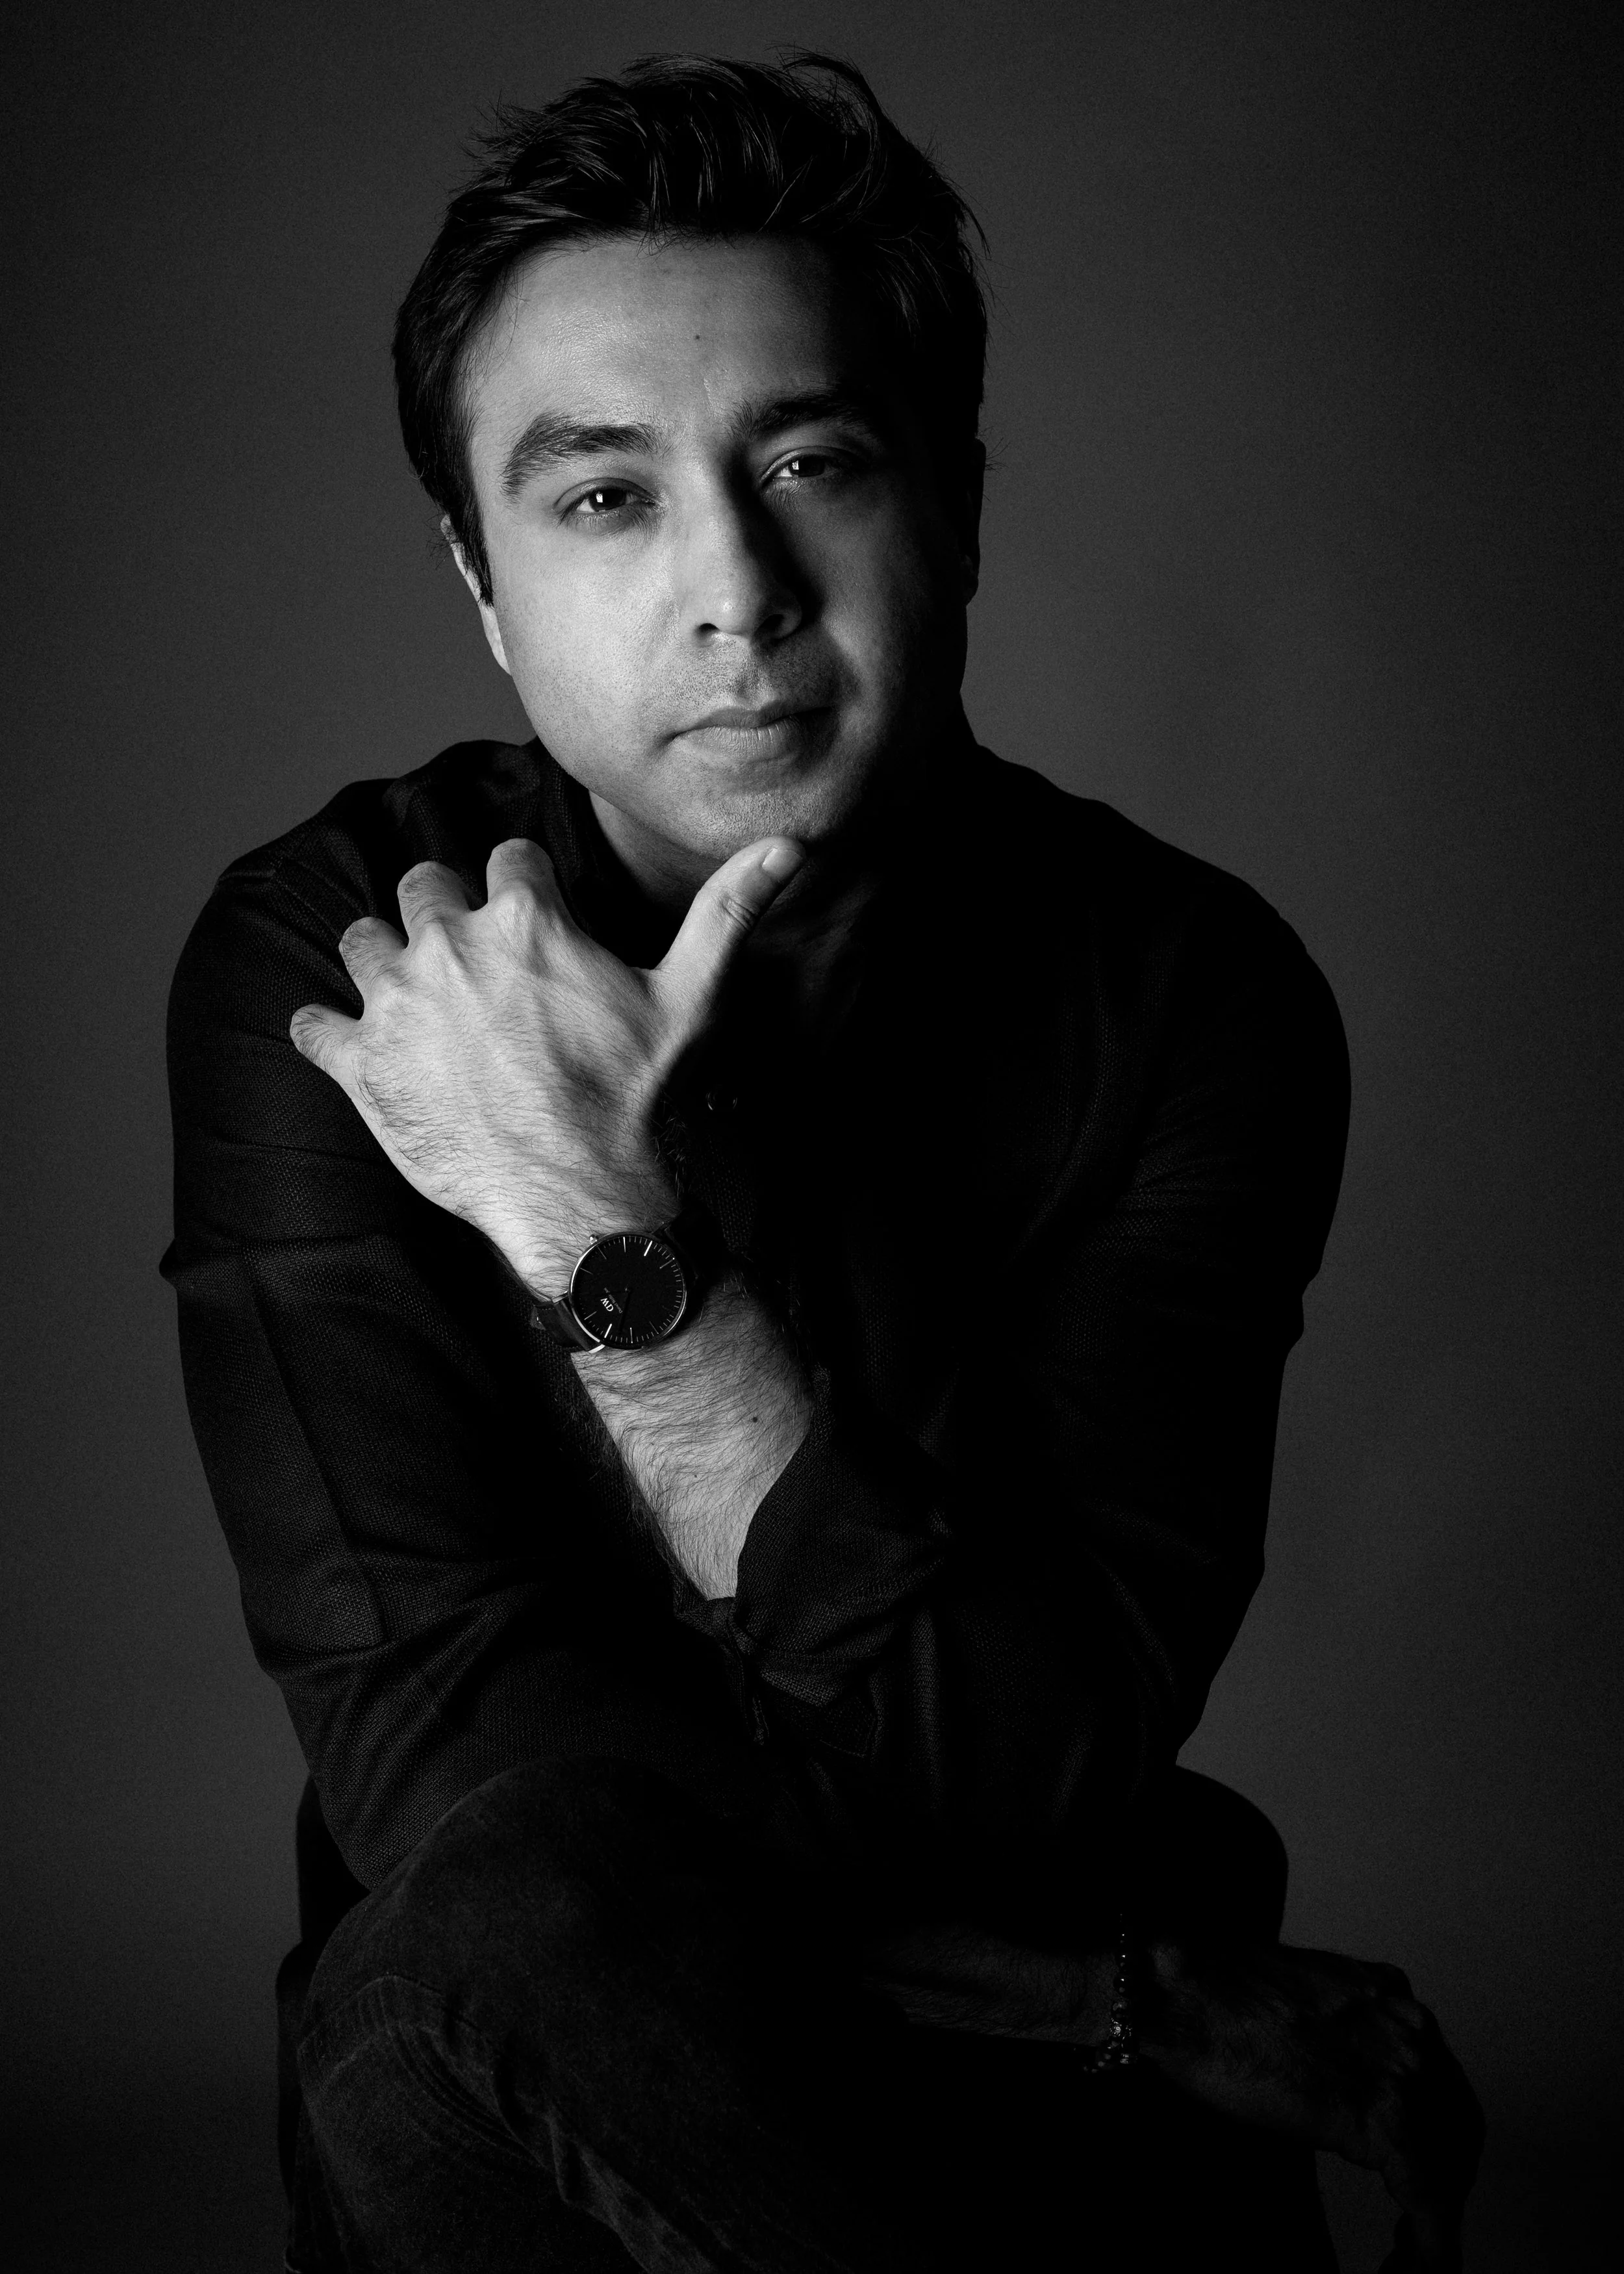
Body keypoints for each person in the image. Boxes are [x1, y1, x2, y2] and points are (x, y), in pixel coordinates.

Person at [164, 52, 1482, 2273]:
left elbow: (1035, 1767)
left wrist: (605, 1229)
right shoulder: (350, 966)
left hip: (1023, 2133)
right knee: (497, 1936)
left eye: (815, 460)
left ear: (951, 502)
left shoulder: (1187, 995)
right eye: (602, 499)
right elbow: (456, 1779)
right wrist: (1114, 1998)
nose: (737, 587)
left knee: (545, 1950)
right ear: (483, 588)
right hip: (537, 2088)